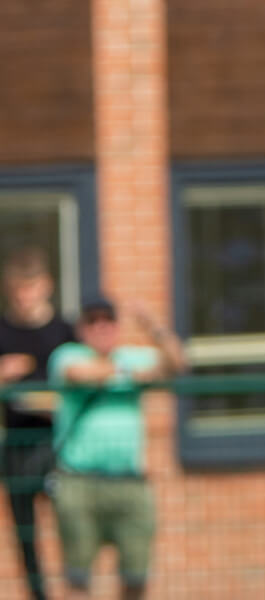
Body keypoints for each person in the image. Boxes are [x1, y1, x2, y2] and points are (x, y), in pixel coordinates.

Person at [48, 295, 187, 600]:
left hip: (129, 481)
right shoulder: (68, 355)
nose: (101, 328)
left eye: (107, 321)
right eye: (93, 321)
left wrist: (153, 326)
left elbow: (177, 363)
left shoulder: (132, 356)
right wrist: (127, 374)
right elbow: (80, 374)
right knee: (77, 578)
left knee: (136, 578)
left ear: (116, 326)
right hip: (78, 481)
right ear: (82, 329)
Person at [0, 247, 76, 600]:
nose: (24, 298)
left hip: (60, 444)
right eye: (17, 290)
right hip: (17, 444)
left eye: (29, 288)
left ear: (46, 286)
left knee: (72, 521)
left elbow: (78, 389)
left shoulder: (65, 332)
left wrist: (56, 403)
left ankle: (76, 588)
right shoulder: (3, 330)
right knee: (25, 533)